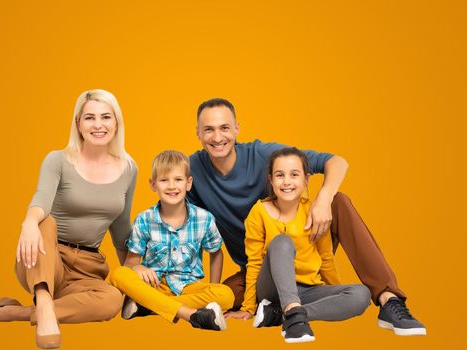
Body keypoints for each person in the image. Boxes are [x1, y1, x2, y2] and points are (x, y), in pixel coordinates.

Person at [187, 98, 426, 336]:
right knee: (216, 300)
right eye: (209, 129)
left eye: (224, 128)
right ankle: (280, 311)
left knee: (339, 201)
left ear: (237, 128)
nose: (218, 137)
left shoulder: (263, 154)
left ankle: (388, 298)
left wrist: (323, 198)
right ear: (198, 132)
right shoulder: (192, 169)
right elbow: (180, 219)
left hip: (307, 252)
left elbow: (337, 161)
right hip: (260, 270)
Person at [0, 89, 137, 348]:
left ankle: (11, 313)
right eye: (89, 117)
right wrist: (28, 222)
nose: (99, 125)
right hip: (45, 257)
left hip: (87, 270)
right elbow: (41, 200)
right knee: (45, 220)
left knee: (112, 300)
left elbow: (122, 226)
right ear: (78, 123)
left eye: (106, 117)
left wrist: (135, 279)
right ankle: (43, 298)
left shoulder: (128, 168)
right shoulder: (58, 160)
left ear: (117, 121)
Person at [232, 147, 371, 342]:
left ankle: (287, 314)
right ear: (271, 180)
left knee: (361, 294)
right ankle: (290, 313)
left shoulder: (316, 212)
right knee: (281, 241)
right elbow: (254, 262)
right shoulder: (259, 212)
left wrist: (337, 292)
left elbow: (326, 258)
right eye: (280, 175)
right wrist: (248, 308)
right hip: (271, 289)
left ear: (305, 180)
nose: (287, 181)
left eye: (294, 175)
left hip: (308, 290)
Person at [110, 150, 234, 331]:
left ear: (188, 183)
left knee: (226, 295)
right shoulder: (144, 219)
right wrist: (138, 267)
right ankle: (190, 314)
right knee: (119, 274)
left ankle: (147, 306)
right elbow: (131, 263)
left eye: (178, 179)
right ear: (153, 184)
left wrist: (213, 287)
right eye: (164, 180)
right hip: (153, 285)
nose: (171, 186)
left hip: (188, 287)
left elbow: (216, 253)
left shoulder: (204, 219)